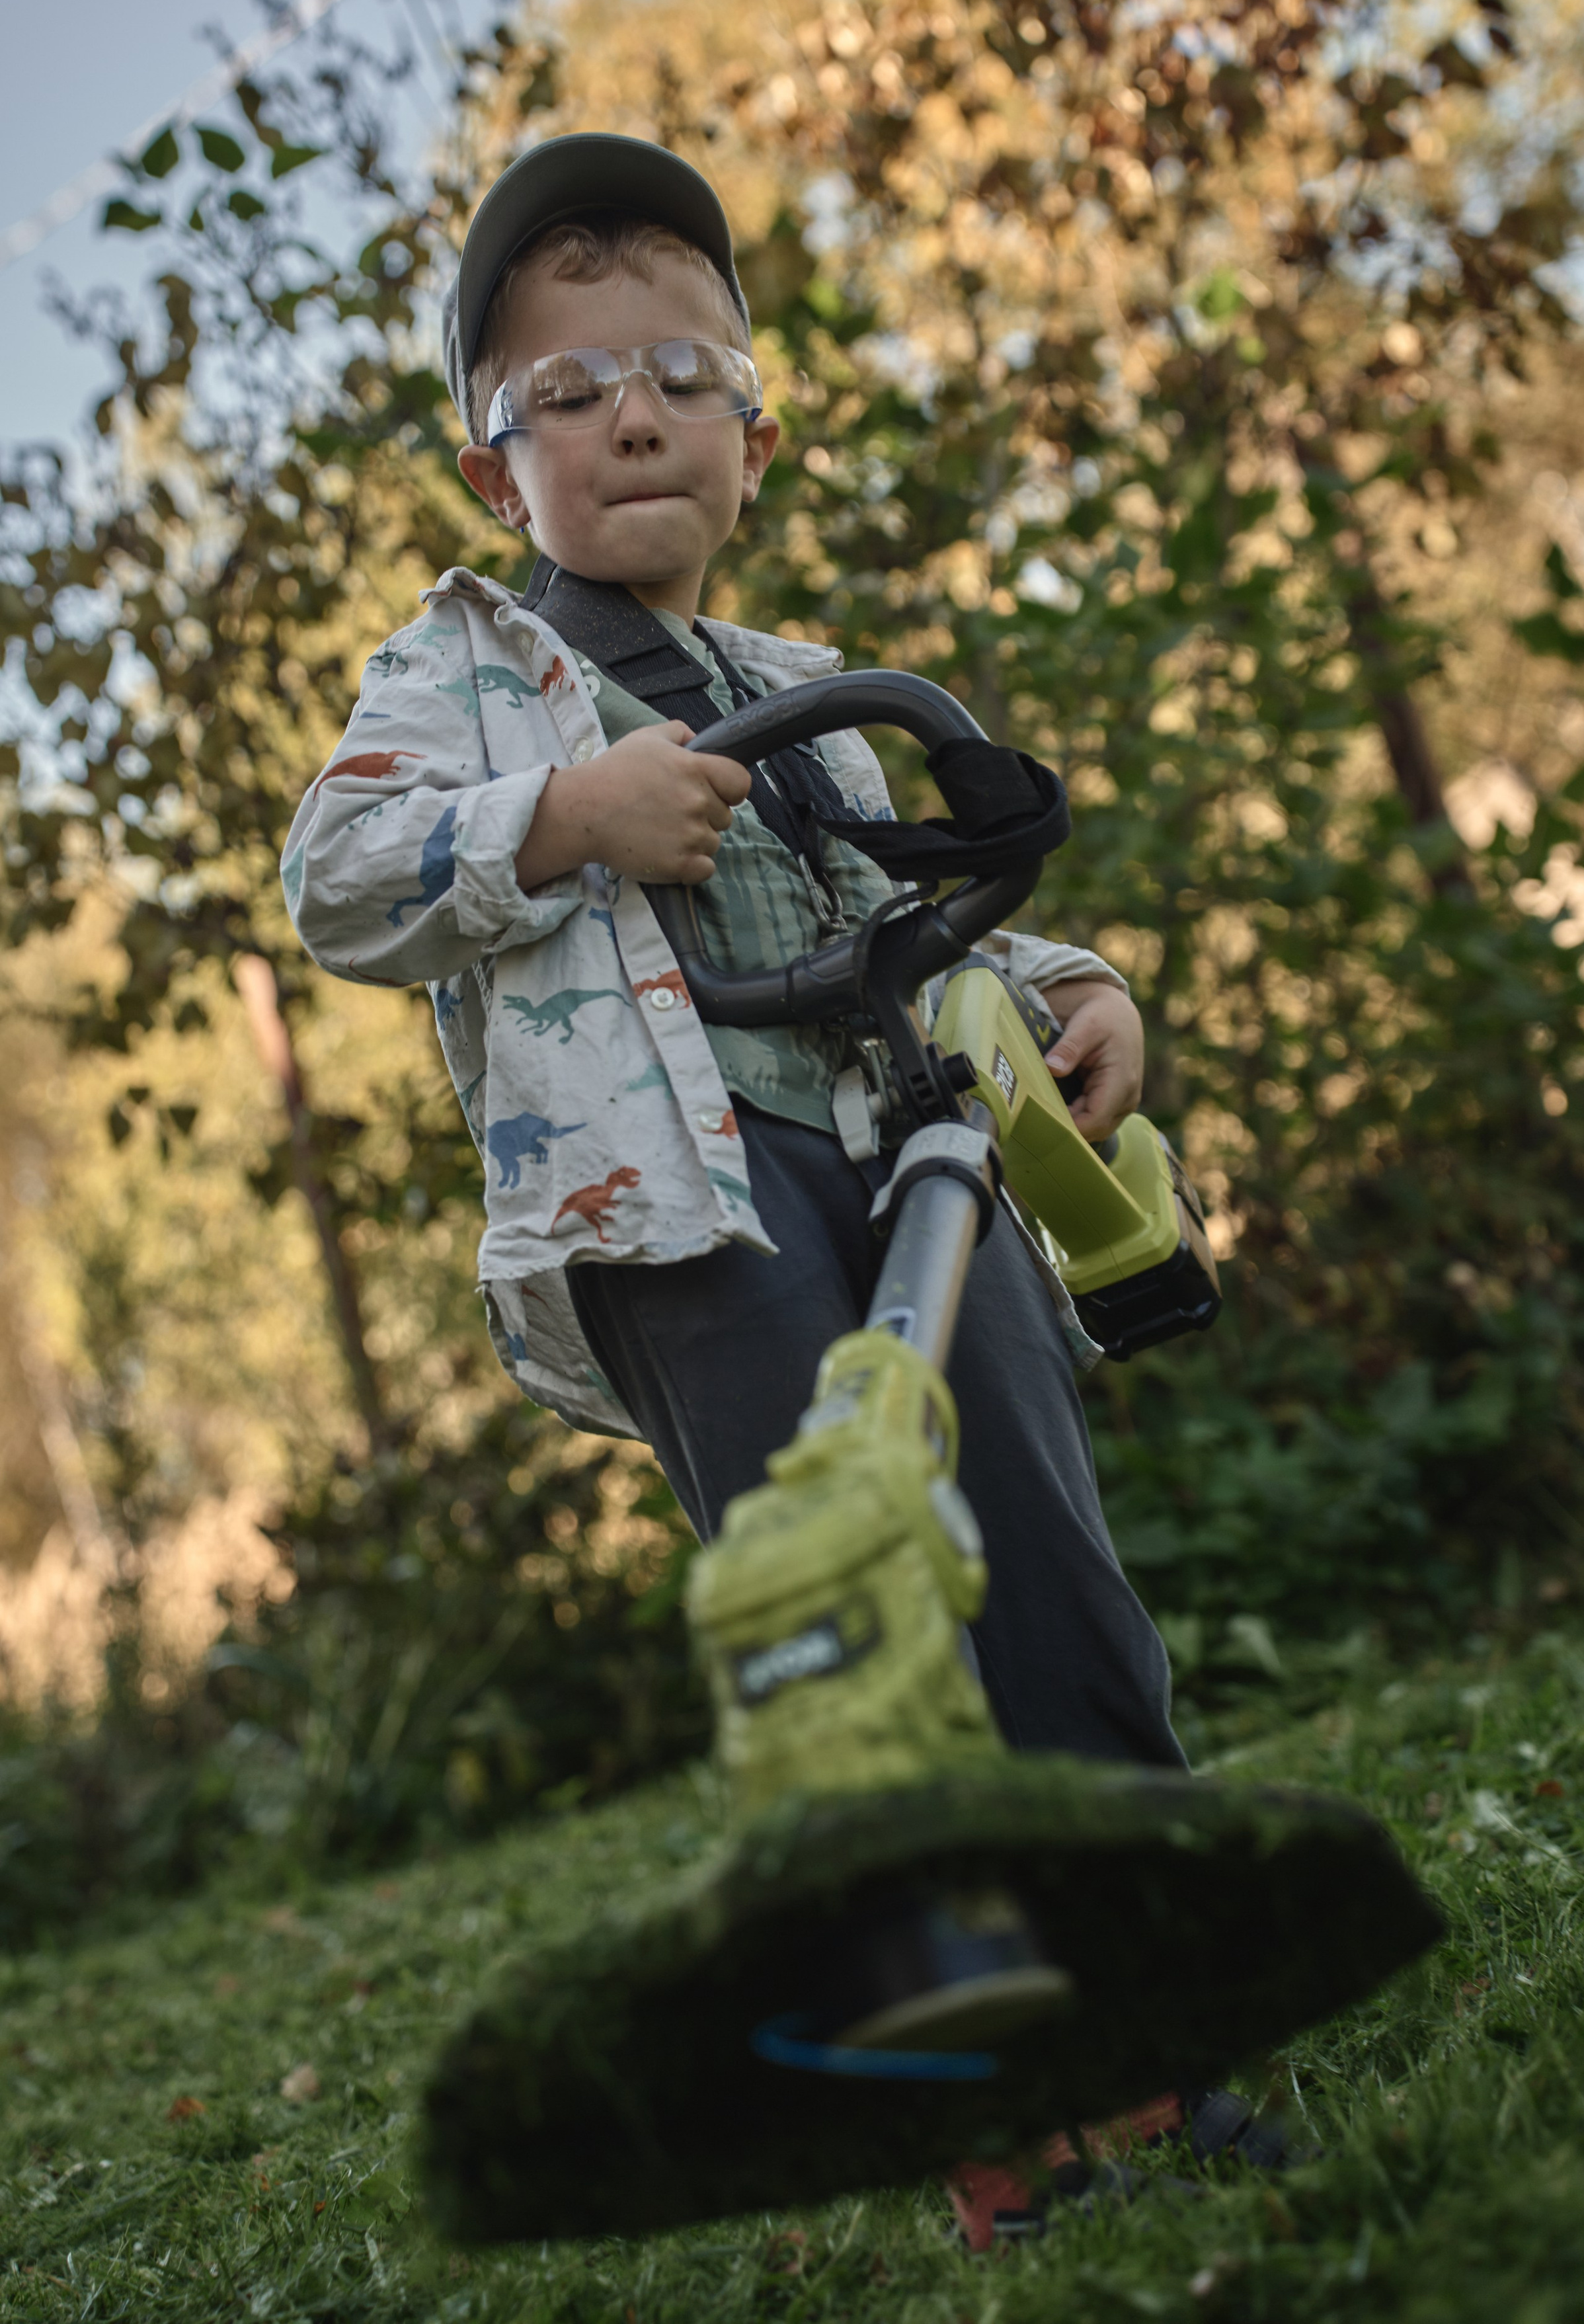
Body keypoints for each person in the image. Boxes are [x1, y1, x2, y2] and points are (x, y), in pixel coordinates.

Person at [285, 136, 1220, 2227]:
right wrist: (559, 816)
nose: (630, 411)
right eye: (565, 390)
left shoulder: (814, 688)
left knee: (1048, 1573)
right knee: (852, 1622)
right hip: (685, 1212)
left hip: (925, 1163)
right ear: (489, 472)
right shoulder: (460, 678)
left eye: (680, 371)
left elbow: (925, 915)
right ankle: (991, 2125)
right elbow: (335, 879)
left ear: (754, 435)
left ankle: (1159, 2047)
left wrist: (1079, 989)